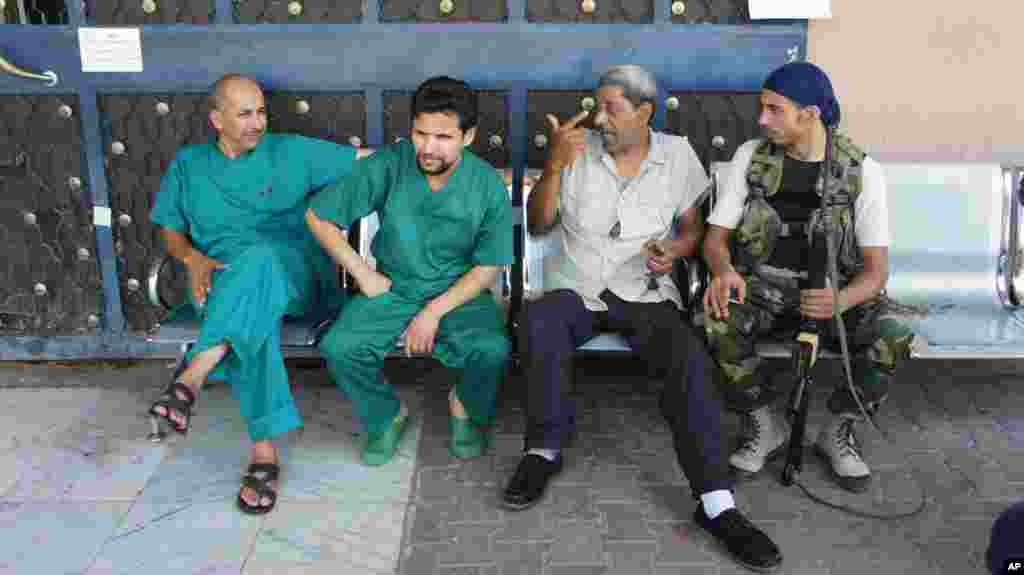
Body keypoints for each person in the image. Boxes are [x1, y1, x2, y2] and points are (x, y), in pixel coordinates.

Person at [502, 64, 783, 573]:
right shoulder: (575, 150)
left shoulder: (676, 156)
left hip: (646, 291)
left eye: (611, 109)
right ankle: (542, 451)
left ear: (645, 112)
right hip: (577, 286)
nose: (599, 119)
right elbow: (540, 225)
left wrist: (672, 250)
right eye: (598, 107)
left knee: (689, 358)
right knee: (538, 324)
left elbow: (693, 231)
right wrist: (555, 166)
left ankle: (716, 503)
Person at [148, 73, 371, 515]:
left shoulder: (291, 152)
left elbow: (368, 160)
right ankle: (262, 453)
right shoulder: (189, 164)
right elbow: (170, 229)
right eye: (245, 114)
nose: (258, 123)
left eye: (262, 112)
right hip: (216, 279)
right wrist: (192, 258)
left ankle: (194, 374)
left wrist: (434, 152)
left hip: (293, 275)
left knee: (260, 263)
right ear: (217, 120)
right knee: (253, 314)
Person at [702, 61, 914, 492]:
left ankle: (837, 430)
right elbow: (715, 240)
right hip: (763, 288)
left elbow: (876, 272)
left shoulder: (861, 171)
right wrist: (723, 272)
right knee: (716, 315)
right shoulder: (751, 157)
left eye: (774, 110)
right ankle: (763, 425)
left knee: (894, 332)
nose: (762, 120)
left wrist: (841, 300)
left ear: (810, 114)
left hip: (833, 293)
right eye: (762, 108)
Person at [306, 76, 513, 467]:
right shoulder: (390, 164)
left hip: (458, 293)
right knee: (340, 347)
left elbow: (488, 266)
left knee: (492, 350)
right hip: (394, 287)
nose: (428, 147)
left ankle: (464, 406)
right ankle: (385, 416)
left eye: (443, 137)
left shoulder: (487, 184)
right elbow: (319, 216)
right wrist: (363, 274)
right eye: (421, 134)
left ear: (468, 137)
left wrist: (432, 313)